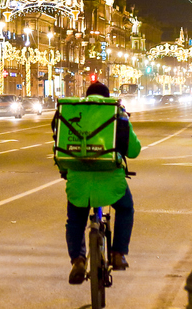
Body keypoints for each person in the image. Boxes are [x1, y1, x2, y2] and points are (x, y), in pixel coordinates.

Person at [56, 82, 141, 284]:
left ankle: (77, 260)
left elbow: (60, 145)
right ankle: (118, 253)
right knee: (126, 209)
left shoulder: (71, 112)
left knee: (75, 220)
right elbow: (134, 151)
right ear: (107, 95)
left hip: (79, 181)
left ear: (87, 97)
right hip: (110, 180)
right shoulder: (117, 112)